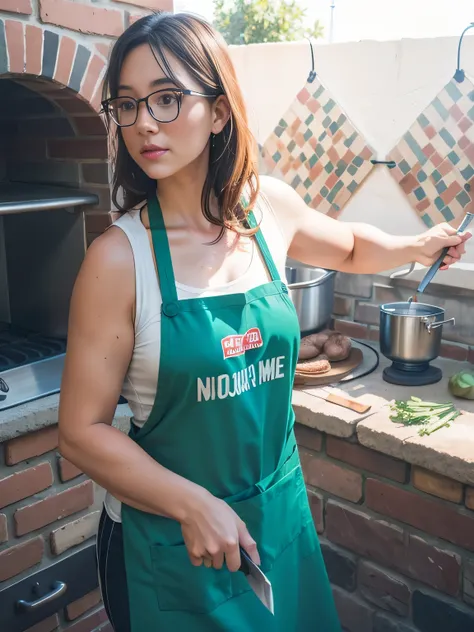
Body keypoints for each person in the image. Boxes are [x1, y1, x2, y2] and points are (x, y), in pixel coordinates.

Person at [58, 11, 471, 632]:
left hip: (277, 519)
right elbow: (81, 432)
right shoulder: (118, 260)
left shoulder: (266, 208)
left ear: (219, 112)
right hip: (169, 543)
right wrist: (192, 504)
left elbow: (352, 247)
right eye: (128, 103)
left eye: (167, 98)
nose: (144, 121)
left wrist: (416, 244)